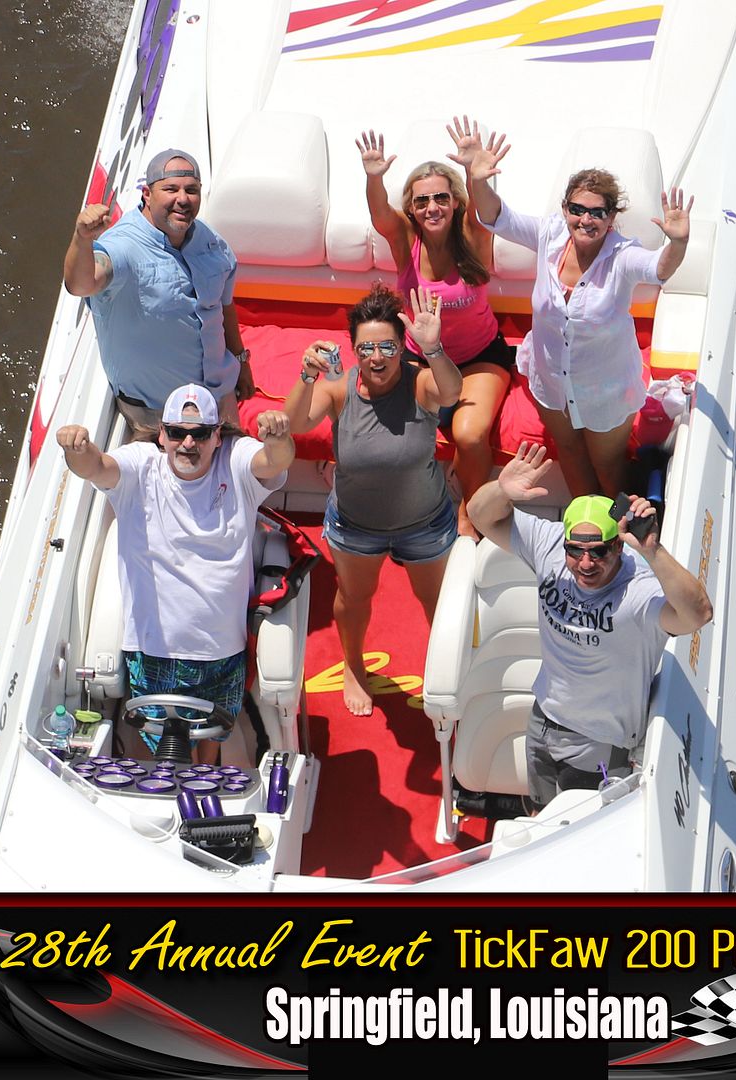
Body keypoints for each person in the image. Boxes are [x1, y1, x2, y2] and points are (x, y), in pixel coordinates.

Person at [452, 123, 693, 497]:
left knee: (608, 467)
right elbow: (498, 217)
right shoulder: (550, 234)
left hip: (605, 388)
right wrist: (477, 179)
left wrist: (677, 244)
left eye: (597, 212)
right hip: (550, 379)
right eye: (577, 209)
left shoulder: (623, 255)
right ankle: (585, 520)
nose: (586, 220)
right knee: (569, 452)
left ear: (612, 218)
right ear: (565, 209)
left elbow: (658, 269)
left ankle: (618, 527)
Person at [468, 442, 713, 809]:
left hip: (599, 740)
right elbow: (480, 515)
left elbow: (698, 615)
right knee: (539, 811)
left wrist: (652, 550)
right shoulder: (549, 545)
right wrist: (501, 490)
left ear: (619, 547)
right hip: (543, 718)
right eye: (575, 550)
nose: (585, 564)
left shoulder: (638, 590)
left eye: (599, 551)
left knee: (581, 826)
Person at [57, 384, 294, 763]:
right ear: (162, 435)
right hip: (152, 651)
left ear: (217, 437)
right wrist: (77, 449)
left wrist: (278, 438)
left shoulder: (236, 459)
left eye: (200, 433)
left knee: (212, 736)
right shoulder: (139, 465)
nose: (188, 442)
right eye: (177, 432)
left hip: (223, 651)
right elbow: (96, 467)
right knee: (155, 743)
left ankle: (207, 771)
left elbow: (274, 461)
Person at [284, 283, 463, 716]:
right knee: (354, 597)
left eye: (387, 346)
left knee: (436, 602)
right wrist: (307, 375)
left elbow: (452, 392)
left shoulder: (420, 383)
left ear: (402, 348)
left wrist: (433, 348)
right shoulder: (338, 389)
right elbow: (295, 423)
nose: (377, 357)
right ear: (353, 351)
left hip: (425, 524)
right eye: (366, 348)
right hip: (355, 526)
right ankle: (353, 665)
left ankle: (448, 669)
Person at [356, 128, 513, 539]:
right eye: (422, 201)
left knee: (469, 434)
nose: (432, 208)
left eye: (441, 198)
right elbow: (380, 215)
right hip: (419, 358)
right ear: (411, 208)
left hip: (480, 357)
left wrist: (476, 174)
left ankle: (470, 510)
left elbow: (485, 208)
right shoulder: (405, 238)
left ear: (456, 201)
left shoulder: (474, 233)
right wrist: (374, 177)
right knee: (395, 433)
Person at [62, 148, 254, 428]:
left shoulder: (211, 242)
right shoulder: (123, 246)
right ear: (147, 195)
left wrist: (241, 361)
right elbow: (81, 284)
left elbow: (223, 307)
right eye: (171, 189)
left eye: (191, 190)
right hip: (159, 415)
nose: (183, 199)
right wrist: (82, 239)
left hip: (217, 396)